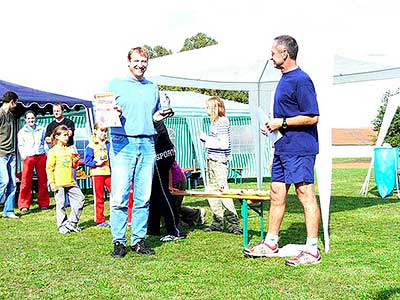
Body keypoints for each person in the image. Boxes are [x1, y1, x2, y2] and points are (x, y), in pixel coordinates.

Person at [243, 35, 321, 267]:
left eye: (274, 53)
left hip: (300, 149)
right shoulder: (284, 79)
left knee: (305, 195)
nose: (271, 57)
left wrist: (282, 123)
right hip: (283, 148)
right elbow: (285, 117)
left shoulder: (301, 80)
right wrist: (273, 126)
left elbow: (312, 116)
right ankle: (270, 243)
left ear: (285, 54)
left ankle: (312, 250)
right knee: (276, 194)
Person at [108, 46, 167, 258]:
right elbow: (103, 114)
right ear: (128, 62)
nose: (140, 65)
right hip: (122, 143)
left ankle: (138, 241)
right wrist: (111, 112)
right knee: (120, 195)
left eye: (144, 62)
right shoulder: (116, 84)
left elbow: (153, 115)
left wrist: (159, 116)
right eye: (137, 61)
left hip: (147, 143)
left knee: (143, 196)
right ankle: (118, 241)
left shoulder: (153, 87)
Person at [199, 96, 242, 235]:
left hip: (219, 162)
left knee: (223, 191)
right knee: (212, 191)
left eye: (207, 107)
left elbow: (224, 144)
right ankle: (218, 221)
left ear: (214, 108)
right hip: (211, 159)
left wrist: (206, 138)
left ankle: (234, 224)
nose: (206, 109)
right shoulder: (215, 122)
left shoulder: (222, 122)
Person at [147, 121, 186, 242]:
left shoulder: (154, 122)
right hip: (162, 154)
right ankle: (153, 228)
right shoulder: (156, 123)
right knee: (153, 195)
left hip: (160, 155)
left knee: (163, 195)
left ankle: (175, 230)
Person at [46, 125, 85, 234]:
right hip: (59, 183)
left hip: (70, 181)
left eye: (67, 135)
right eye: (64, 135)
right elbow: (49, 168)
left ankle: (72, 222)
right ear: (57, 136)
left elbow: (73, 166)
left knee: (80, 199)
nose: (67, 137)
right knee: (61, 204)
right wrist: (52, 183)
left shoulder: (69, 150)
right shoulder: (52, 151)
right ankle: (62, 225)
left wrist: (75, 161)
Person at [17, 110, 50, 212]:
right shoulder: (22, 132)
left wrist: (47, 153)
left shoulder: (41, 129)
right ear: (25, 120)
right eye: (28, 118)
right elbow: (20, 145)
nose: (31, 120)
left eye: (32, 118)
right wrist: (23, 155)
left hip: (41, 156)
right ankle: (24, 204)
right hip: (29, 157)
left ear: (35, 119)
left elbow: (44, 142)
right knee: (26, 181)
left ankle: (44, 203)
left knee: (43, 180)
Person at [84, 123, 111, 228]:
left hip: (108, 172)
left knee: (115, 194)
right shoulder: (91, 145)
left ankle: (117, 215)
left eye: (105, 131)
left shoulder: (108, 143)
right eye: (102, 131)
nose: (104, 133)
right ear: (95, 131)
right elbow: (87, 161)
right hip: (97, 174)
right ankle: (99, 219)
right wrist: (96, 163)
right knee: (99, 197)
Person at [0, 91, 19, 219]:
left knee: (12, 183)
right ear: (12, 101)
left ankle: (9, 210)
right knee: (4, 181)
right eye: (16, 103)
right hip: (1, 154)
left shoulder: (12, 115)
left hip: (11, 153)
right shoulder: (0, 114)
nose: (16, 105)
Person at [169, 160, 206, 226]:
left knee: (172, 207)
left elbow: (168, 168)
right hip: (172, 180)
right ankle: (194, 215)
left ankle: (195, 215)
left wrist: (170, 186)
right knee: (168, 206)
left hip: (177, 180)